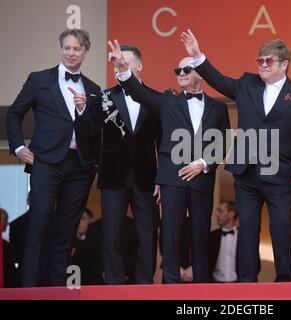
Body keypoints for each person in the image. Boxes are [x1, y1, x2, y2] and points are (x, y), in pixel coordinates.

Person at [181, 29, 291, 282]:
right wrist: (198, 56)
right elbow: (218, 80)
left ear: (284, 64)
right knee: (248, 231)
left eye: (269, 61)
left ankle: (285, 280)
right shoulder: (246, 84)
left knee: (281, 228)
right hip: (246, 172)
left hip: (280, 173)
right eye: (260, 60)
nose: (263, 65)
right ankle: (246, 282)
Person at [108, 40, 230, 284]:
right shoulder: (166, 101)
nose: (181, 74)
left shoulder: (218, 107)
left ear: (200, 74)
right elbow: (138, 91)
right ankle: (170, 287)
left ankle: (202, 287)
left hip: (202, 177)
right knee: (171, 235)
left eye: (187, 70)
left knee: (200, 236)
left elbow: (223, 142)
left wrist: (203, 163)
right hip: (171, 179)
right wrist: (123, 70)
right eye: (178, 71)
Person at [5, 29, 101, 287]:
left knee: (67, 228)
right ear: (61, 49)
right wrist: (17, 147)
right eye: (67, 48)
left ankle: (57, 287)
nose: (71, 53)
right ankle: (29, 287)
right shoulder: (39, 79)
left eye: (76, 49)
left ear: (85, 52)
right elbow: (14, 114)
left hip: (79, 166)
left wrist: (83, 110)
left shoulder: (93, 89)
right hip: (45, 162)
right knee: (39, 222)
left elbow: (92, 132)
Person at [98, 45, 161, 284]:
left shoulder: (156, 99)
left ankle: (145, 283)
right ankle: (113, 282)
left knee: (147, 232)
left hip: (147, 177)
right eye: (115, 62)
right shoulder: (104, 97)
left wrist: (162, 179)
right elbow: (91, 135)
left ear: (139, 66)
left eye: (123, 61)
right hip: (113, 176)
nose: (118, 65)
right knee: (112, 232)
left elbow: (162, 144)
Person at [207, 201, 242, 283]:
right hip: (214, 285)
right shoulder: (211, 236)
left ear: (231, 214)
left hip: (240, 285)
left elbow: (254, 263)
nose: (216, 214)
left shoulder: (244, 237)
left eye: (220, 211)